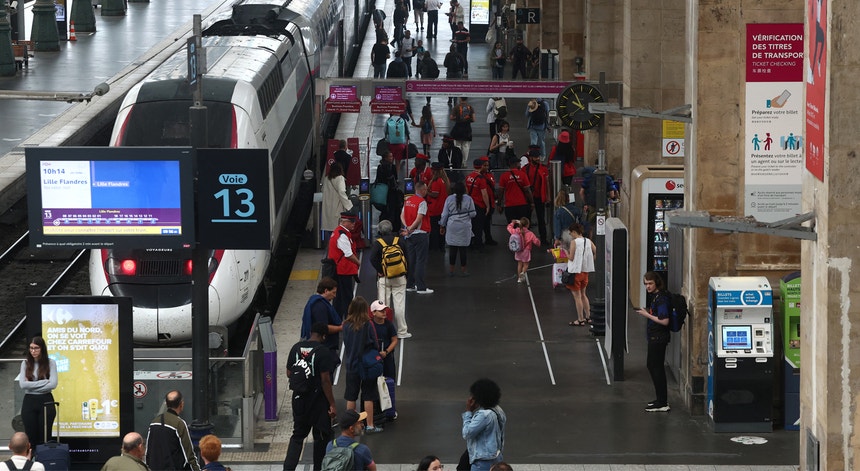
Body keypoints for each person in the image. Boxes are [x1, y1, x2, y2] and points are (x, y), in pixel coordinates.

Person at [283, 322, 337, 470]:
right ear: (324, 336)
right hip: (318, 401)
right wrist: (332, 403)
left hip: (299, 399)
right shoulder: (323, 352)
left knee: (297, 436)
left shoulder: (296, 348)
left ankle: (288, 468)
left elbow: (289, 373)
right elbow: (325, 380)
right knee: (320, 438)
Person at [342, 297, 384, 434]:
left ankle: (351, 426)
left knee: (351, 395)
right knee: (368, 395)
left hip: (351, 364)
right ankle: (370, 425)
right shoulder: (368, 324)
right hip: (367, 365)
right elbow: (375, 343)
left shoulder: (346, 325)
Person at [636, 271, 672, 412]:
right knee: (652, 366)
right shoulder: (657, 297)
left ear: (656, 282)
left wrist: (646, 315)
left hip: (658, 338)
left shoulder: (661, 299)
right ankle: (660, 400)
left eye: (650, 283)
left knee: (656, 367)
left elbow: (664, 320)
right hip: (655, 338)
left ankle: (662, 402)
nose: (648, 287)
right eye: (646, 284)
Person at [370, 220, 410, 339]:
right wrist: (406, 274)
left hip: (385, 278)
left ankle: (385, 332)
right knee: (399, 305)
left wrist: (380, 270)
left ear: (380, 231)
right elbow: (407, 258)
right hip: (400, 277)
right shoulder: (400, 241)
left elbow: (372, 258)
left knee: (383, 305)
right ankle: (402, 331)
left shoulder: (378, 243)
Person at [146, 390, 200, 471]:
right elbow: (188, 454)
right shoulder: (179, 423)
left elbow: (148, 451)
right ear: (181, 404)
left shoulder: (153, 423)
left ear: (167, 404)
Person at [19, 336, 57, 448]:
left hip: (46, 400)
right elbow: (23, 385)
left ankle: (45, 462)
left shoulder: (51, 363)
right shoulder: (25, 363)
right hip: (29, 401)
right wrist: (45, 382)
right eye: (31, 348)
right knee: (31, 436)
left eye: (36, 348)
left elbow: (53, 384)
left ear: (42, 349)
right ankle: (31, 462)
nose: (33, 351)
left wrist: (31, 385)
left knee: (45, 436)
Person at [462, 378, 506, 471]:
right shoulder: (498, 410)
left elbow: (467, 433)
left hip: (482, 462)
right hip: (496, 456)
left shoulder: (484, 415)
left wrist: (468, 412)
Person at [300, 277, 343, 362]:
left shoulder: (314, 301)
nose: (334, 296)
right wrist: (341, 328)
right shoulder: (320, 306)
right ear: (326, 291)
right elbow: (323, 328)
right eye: (333, 292)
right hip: (325, 347)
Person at [327, 212, 361, 317]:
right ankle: (347, 318)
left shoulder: (338, 232)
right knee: (346, 296)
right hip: (343, 270)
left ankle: (339, 318)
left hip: (340, 270)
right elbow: (348, 254)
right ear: (344, 222)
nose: (353, 224)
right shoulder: (342, 235)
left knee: (339, 296)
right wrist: (358, 262)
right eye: (351, 222)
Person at [401, 181, 433, 294]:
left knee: (411, 260)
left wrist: (407, 228)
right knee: (420, 260)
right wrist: (411, 229)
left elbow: (402, 215)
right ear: (422, 190)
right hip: (420, 234)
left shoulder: (408, 201)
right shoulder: (422, 202)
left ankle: (409, 284)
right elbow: (419, 218)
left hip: (409, 236)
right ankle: (421, 287)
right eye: (425, 189)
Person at [440, 181, 476, 276]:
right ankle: (464, 270)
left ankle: (451, 271)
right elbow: (473, 214)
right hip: (465, 226)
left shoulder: (449, 199)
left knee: (453, 248)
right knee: (463, 249)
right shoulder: (469, 199)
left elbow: (444, 214)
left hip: (452, 226)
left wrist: (442, 225)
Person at [565, 223, 595, 327]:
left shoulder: (574, 242)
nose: (570, 235)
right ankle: (588, 317)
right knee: (583, 295)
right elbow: (596, 251)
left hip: (575, 273)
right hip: (585, 272)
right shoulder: (588, 241)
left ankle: (580, 319)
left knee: (577, 297)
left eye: (570, 233)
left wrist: (565, 252)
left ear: (574, 232)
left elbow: (571, 257)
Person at [465, 156, 497, 249]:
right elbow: (484, 194)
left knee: (472, 225)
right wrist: (487, 206)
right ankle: (478, 244)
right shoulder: (481, 179)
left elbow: (467, 191)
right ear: (481, 166)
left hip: (471, 204)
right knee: (478, 226)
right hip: (480, 204)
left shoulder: (469, 177)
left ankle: (471, 242)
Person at [521, 147, 550, 244]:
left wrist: (547, 197)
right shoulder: (525, 169)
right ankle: (525, 238)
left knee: (541, 219)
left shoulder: (543, 168)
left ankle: (543, 238)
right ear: (531, 158)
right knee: (527, 219)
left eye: (538, 157)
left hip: (538, 197)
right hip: (528, 198)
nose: (538, 159)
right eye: (536, 157)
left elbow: (546, 184)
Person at [497, 156, 533, 222]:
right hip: (522, 204)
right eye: (519, 163)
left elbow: (501, 191)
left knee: (512, 227)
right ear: (515, 164)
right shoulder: (523, 175)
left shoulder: (504, 176)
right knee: (522, 226)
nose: (520, 164)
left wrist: (499, 204)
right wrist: (532, 202)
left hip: (509, 205)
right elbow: (527, 190)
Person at [322, 162, 354, 236]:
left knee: (329, 232)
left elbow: (323, 190)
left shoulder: (326, 178)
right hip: (337, 207)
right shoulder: (340, 178)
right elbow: (341, 191)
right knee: (338, 232)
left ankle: (329, 246)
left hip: (327, 208)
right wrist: (348, 205)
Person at [369, 300, 399, 379]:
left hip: (387, 357)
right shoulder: (369, 325)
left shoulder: (389, 325)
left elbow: (395, 340)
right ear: (374, 312)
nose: (384, 312)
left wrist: (386, 351)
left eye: (384, 310)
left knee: (389, 380)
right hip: (373, 357)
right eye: (381, 311)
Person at [507, 217, 540, 284]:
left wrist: (513, 223)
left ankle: (519, 278)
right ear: (527, 225)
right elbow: (536, 242)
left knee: (519, 264)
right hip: (526, 251)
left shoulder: (516, 231)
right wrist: (539, 242)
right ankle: (523, 272)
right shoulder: (530, 233)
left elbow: (509, 228)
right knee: (526, 264)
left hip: (518, 250)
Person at [376, 150, 403, 230]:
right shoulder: (391, 167)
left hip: (384, 193)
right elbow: (394, 179)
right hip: (390, 192)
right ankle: (394, 227)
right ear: (385, 158)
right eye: (390, 156)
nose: (392, 158)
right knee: (392, 210)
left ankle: (383, 227)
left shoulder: (381, 167)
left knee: (385, 210)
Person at [426, 162, 450, 251]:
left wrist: (426, 192)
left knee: (434, 229)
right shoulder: (445, 180)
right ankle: (441, 246)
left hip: (435, 209)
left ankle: (434, 247)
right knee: (442, 228)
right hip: (442, 208)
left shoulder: (436, 181)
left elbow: (435, 194)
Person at [450, 97, 474, 164]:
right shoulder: (470, 107)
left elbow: (451, 117)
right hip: (467, 129)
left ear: (460, 98)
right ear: (467, 99)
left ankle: (458, 160)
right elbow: (474, 119)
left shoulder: (456, 107)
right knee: (466, 146)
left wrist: (458, 118)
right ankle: (464, 162)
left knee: (457, 145)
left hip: (458, 128)